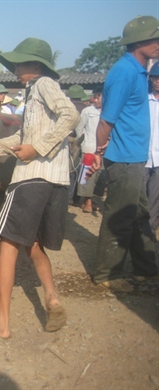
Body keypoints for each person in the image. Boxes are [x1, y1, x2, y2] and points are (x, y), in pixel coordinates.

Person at [0, 37, 79, 339]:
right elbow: (24, 136)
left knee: (8, 244)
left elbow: (71, 115)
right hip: (54, 180)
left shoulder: (44, 84)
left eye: (19, 64)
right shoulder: (33, 94)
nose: (15, 70)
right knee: (32, 243)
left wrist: (38, 148)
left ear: (35, 65)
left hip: (31, 178)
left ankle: (2, 324)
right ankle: (52, 296)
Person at [90, 15, 159, 292]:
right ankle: (107, 273)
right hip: (124, 157)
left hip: (136, 156)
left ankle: (147, 268)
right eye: (155, 39)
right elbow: (107, 120)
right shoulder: (124, 72)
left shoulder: (140, 71)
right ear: (138, 42)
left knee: (139, 214)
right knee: (120, 215)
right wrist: (97, 151)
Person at [75, 86, 104, 213]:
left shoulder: (110, 111)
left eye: (99, 97)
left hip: (104, 150)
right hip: (89, 148)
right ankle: (87, 201)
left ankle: (93, 199)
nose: (96, 100)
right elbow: (79, 128)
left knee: (100, 177)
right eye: (95, 97)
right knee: (88, 176)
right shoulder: (87, 111)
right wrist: (82, 143)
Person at [147, 61, 159, 241]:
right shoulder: (142, 100)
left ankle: (147, 236)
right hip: (142, 158)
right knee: (138, 200)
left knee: (154, 202)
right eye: (155, 78)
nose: (158, 81)